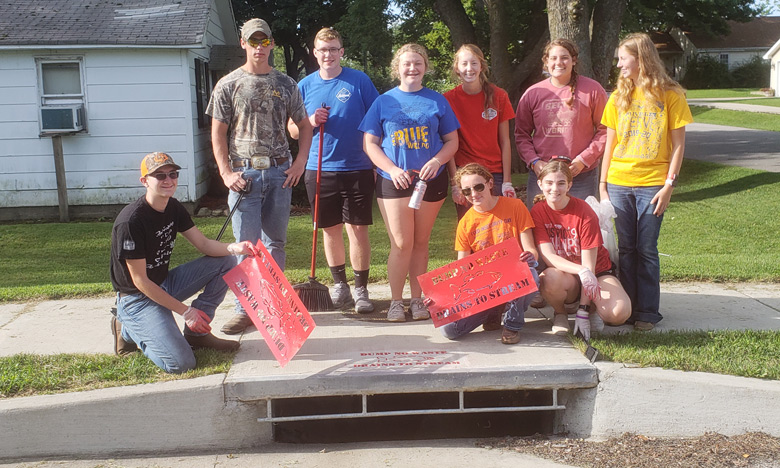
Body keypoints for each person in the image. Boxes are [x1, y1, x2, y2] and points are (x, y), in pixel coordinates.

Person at [206, 18, 312, 334]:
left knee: (275, 243)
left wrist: (300, 162)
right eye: (253, 41)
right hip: (245, 175)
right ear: (243, 44)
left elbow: (304, 126)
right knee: (246, 245)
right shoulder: (228, 84)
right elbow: (217, 134)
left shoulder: (287, 84)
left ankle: (275, 305)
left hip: (280, 173)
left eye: (264, 41)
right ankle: (246, 310)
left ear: (272, 44)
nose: (259, 47)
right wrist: (226, 173)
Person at [110, 152, 259, 374]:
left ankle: (197, 334)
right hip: (137, 298)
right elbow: (140, 281)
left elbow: (205, 245)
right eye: (159, 176)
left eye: (172, 174)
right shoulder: (131, 221)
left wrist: (236, 248)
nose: (168, 180)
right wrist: (186, 312)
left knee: (226, 260)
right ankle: (128, 329)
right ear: (145, 181)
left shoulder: (173, 207)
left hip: (165, 284)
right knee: (180, 364)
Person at [359, 43, 460, 322]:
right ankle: (395, 301)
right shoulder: (383, 101)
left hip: (429, 180)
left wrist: (437, 161)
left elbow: (452, 140)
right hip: (394, 181)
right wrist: (391, 169)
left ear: (425, 67)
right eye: (406, 64)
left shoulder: (437, 100)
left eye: (418, 63)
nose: (412, 68)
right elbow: (370, 143)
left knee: (421, 242)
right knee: (401, 243)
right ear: (397, 68)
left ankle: (417, 300)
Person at [599, 32, 693, 331]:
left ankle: (648, 312)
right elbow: (609, 145)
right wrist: (602, 185)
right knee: (626, 248)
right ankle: (626, 309)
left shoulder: (671, 94)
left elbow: (678, 146)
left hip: (653, 183)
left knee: (646, 249)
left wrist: (669, 185)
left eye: (622, 58)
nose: (619, 64)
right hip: (618, 182)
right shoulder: (618, 96)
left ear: (640, 58)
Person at [287, 27, 380, 313]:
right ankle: (340, 286)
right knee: (330, 230)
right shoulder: (304, 86)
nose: (328, 54)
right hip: (319, 167)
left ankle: (361, 289)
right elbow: (292, 129)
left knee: (358, 228)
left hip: (358, 165)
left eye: (333, 49)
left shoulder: (359, 80)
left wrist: (377, 160)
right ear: (315, 53)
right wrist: (311, 120)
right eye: (322, 50)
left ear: (342, 51)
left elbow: (377, 118)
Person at [440, 163, 539, 344]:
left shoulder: (515, 206)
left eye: (478, 187)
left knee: (531, 273)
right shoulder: (465, 222)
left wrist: (529, 255)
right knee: (449, 330)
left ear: (490, 183)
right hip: (485, 285)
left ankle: (512, 324)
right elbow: (461, 268)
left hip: (514, 274)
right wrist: (438, 298)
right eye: (467, 191)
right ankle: (493, 310)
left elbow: (531, 249)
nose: (474, 194)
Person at [530, 161, 630, 339]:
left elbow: (589, 266)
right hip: (567, 274)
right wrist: (580, 270)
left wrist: (583, 310)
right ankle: (560, 313)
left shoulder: (584, 211)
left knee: (618, 313)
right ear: (540, 184)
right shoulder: (538, 211)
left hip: (597, 272)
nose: (555, 188)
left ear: (569, 185)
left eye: (561, 183)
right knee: (548, 278)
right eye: (549, 183)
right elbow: (549, 256)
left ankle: (591, 310)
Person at [515, 38, 608, 208]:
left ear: (574, 60)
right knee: (539, 226)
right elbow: (521, 135)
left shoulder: (593, 90)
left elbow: (606, 130)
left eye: (564, 57)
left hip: (581, 175)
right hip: (543, 176)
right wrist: (535, 162)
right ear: (546, 61)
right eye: (553, 58)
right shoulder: (533, 93)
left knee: (580, 227)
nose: (559, 62)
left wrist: (583, 160)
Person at [444, 44, 516, 219]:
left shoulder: (499, 96)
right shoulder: (448, 100)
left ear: (482, 66)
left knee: (502, 230)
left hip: (495, 174)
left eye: (474, 63)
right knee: (472, 231)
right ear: (457, 69)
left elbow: (505, 141)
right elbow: (449, 143)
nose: (469, 69)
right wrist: (455, 183)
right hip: (465, 175)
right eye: (464, 64)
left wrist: (507, 181)